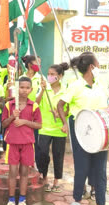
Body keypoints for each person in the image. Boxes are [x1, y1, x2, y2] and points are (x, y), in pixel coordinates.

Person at [57, 52, 109, 205]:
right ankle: (77, 201)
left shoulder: (101, 83)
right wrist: (65, 124)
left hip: (100, 129)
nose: (100, 67)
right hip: (80, 128)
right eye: (98, 64)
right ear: (91, 67)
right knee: (82, 166)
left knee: (100, 168)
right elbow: (60, 105)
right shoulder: (75, 85)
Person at [2, 76, 42, 205]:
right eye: (22, 87)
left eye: (27, 88)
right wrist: (13, 116)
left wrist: (24, 121)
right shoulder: (9, 105)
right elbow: (4, 124)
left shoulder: (34, 105)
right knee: (13, 172)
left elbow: (39, 125)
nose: (24, 90)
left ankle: (22, 201)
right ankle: (11, 200)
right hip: (12, 143)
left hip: (27, 143)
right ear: (17, 89)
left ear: (31, 89)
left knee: (24, 172)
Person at [35, 63, 69, 192]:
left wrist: (60, 115)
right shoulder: (44, 88)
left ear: (60, 76)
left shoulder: (66, 90)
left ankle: (56, 181)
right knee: (43, 154)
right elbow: (35, 104)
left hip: (60, 129)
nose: (49, 76)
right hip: (44, 127)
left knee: (58, 155)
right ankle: (44, 177)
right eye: (48, 74)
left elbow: (68, 110)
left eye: (53, 74)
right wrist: (42, 90)